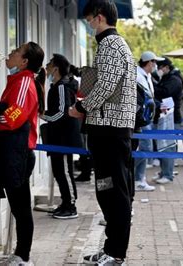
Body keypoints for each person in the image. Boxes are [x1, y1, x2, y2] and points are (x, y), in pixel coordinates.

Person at [69, 1, 136, 264]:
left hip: (109, 128)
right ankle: (111, 249)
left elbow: (106, 85)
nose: (88, 25)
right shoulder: (116, 45)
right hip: (111, 128)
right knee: (108, 189)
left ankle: (116, 252)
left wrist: (82, 107)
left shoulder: (110, 45)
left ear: (99, 18)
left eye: (89, 20)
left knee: (113, 192)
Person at [0, 42, 45, 265]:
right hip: (12, 153)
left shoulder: (24, 83)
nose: (10, 53)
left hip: (17, 155)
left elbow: (11, 117)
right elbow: (4, 108)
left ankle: (23, 257)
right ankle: (18, 254)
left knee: (21, 208)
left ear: (24, 62)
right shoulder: (18, 81)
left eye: (16, 52)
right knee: (18, 206)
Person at [43, 54, 83, 219]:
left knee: (65, 171)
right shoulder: (57, 85)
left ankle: (70, 204)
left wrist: (44, 116)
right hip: (57, 135)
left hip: (64, 136)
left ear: (56, 68)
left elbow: (62, 112)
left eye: (50, 64)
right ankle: (65, 201)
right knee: (59, 170)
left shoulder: (61, 87)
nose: (47, 67)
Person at [133, 51, 162, 191]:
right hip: (141, 118)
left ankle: (138, 177)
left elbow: (150, 96)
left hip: (147, 116)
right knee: (145, 147)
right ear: (149, 62)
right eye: (154, 62)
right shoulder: (137, 76)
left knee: (145, 147)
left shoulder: (148, 76)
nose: (155, 65)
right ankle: (137, 178)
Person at [152, 57, 182, 184]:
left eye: (160, 67)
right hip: (163, 117)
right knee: (162, 147)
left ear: (166, 67)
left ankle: (168, 174)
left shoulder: (174, 80)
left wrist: (152, 85)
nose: (158, 70)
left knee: (168, 147)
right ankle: (164, 172)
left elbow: (164, 93)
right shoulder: (165, 79)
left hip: (171, 118)